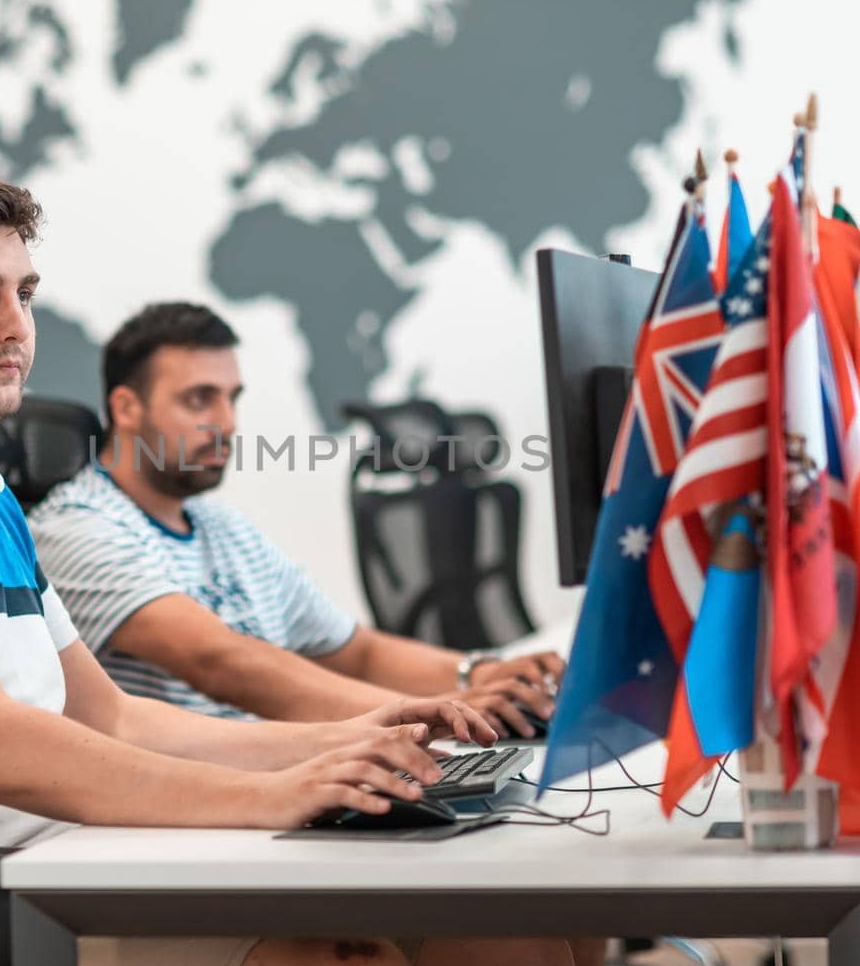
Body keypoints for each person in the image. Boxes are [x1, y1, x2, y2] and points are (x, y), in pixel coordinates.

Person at [0, 174, 591, 966]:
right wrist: (273, 796)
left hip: (64, 869)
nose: (16, 326)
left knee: (520, 932)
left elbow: (110, 714)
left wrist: (357, 737)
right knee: (350, 965)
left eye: (22, 293)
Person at [28, 302, 566, 738]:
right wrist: (442, 710)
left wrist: (479, 673)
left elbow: (358, 651)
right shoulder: (78, 528)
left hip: (283, 773)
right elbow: (221, 661)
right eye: (199, 400)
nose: (226, 423)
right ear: (126, 408)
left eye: (232, 399)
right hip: (189, 806)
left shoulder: (222, 527)